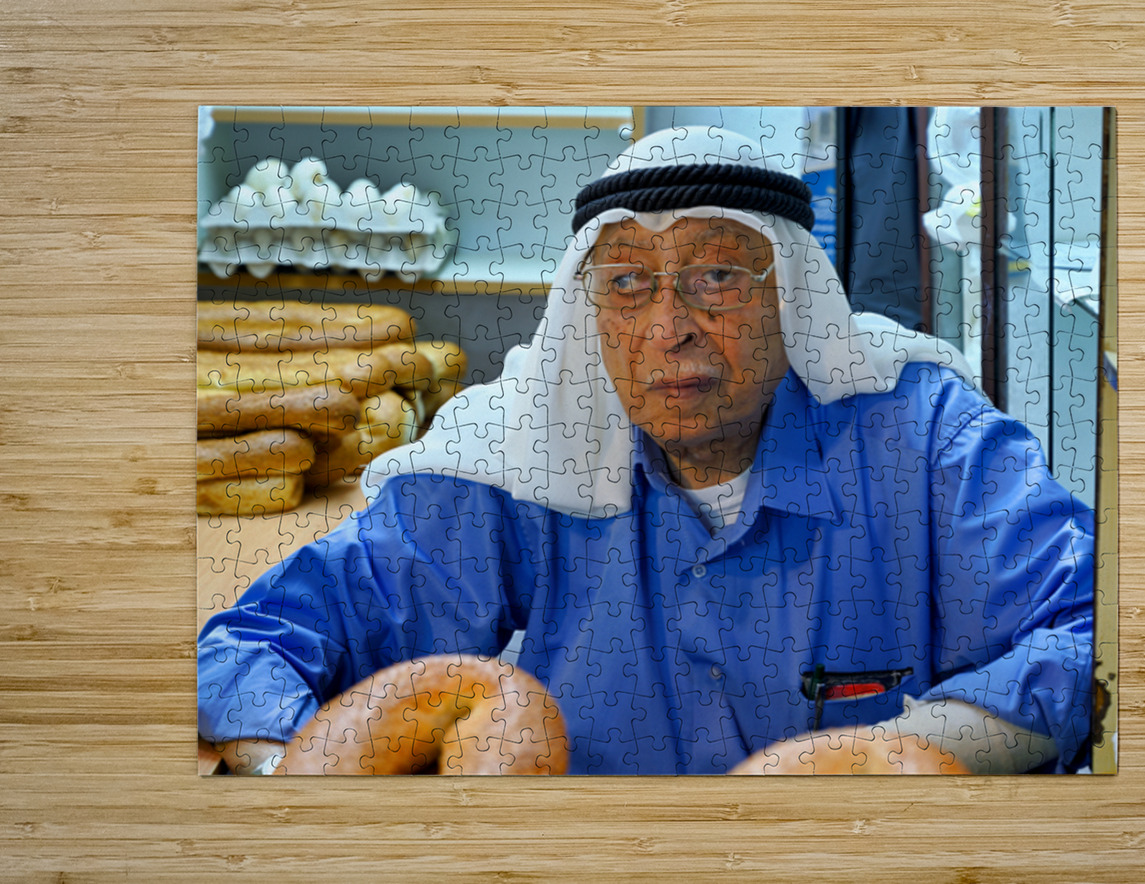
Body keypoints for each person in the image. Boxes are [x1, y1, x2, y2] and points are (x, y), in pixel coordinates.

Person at [198, 126, 1095, 776]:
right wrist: (301, 787)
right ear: (588, 311)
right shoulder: (518, 455)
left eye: (716, 276)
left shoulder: (927, 438)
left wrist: (903, 752)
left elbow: (1097, 629)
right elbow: (249, 646)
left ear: (793, 297)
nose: (670, 328)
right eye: (626, 283)